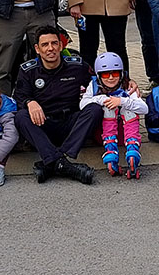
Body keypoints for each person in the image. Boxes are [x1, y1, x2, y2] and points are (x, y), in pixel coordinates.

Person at [14, 25, 99, 185]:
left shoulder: (78, 66)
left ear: (61, 45)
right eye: (45, 45)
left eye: (54, 43)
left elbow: (101, 82)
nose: (50, 48)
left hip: (71, 126)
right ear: (37, 49)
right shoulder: (27, 71)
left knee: (94, 109)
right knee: (20, 116)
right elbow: (19, 97)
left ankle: (54, 161)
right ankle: (63, 164)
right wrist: (29, 102)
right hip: (43, 125)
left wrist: (127, 82)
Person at [81, 52, 148, 178]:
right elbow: (82, 105)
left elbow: (145, 109)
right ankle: (113, 150)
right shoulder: (94, 86)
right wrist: (102, 99)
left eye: (115, 73)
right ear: (99, 75)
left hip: (125, 135)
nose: (111, 78)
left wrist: (122, 101)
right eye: (106, 74)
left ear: (121, 74)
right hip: (102, 135)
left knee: (129, 108)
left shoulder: (127, 85)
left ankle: (131, 151)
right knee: (108, 107)